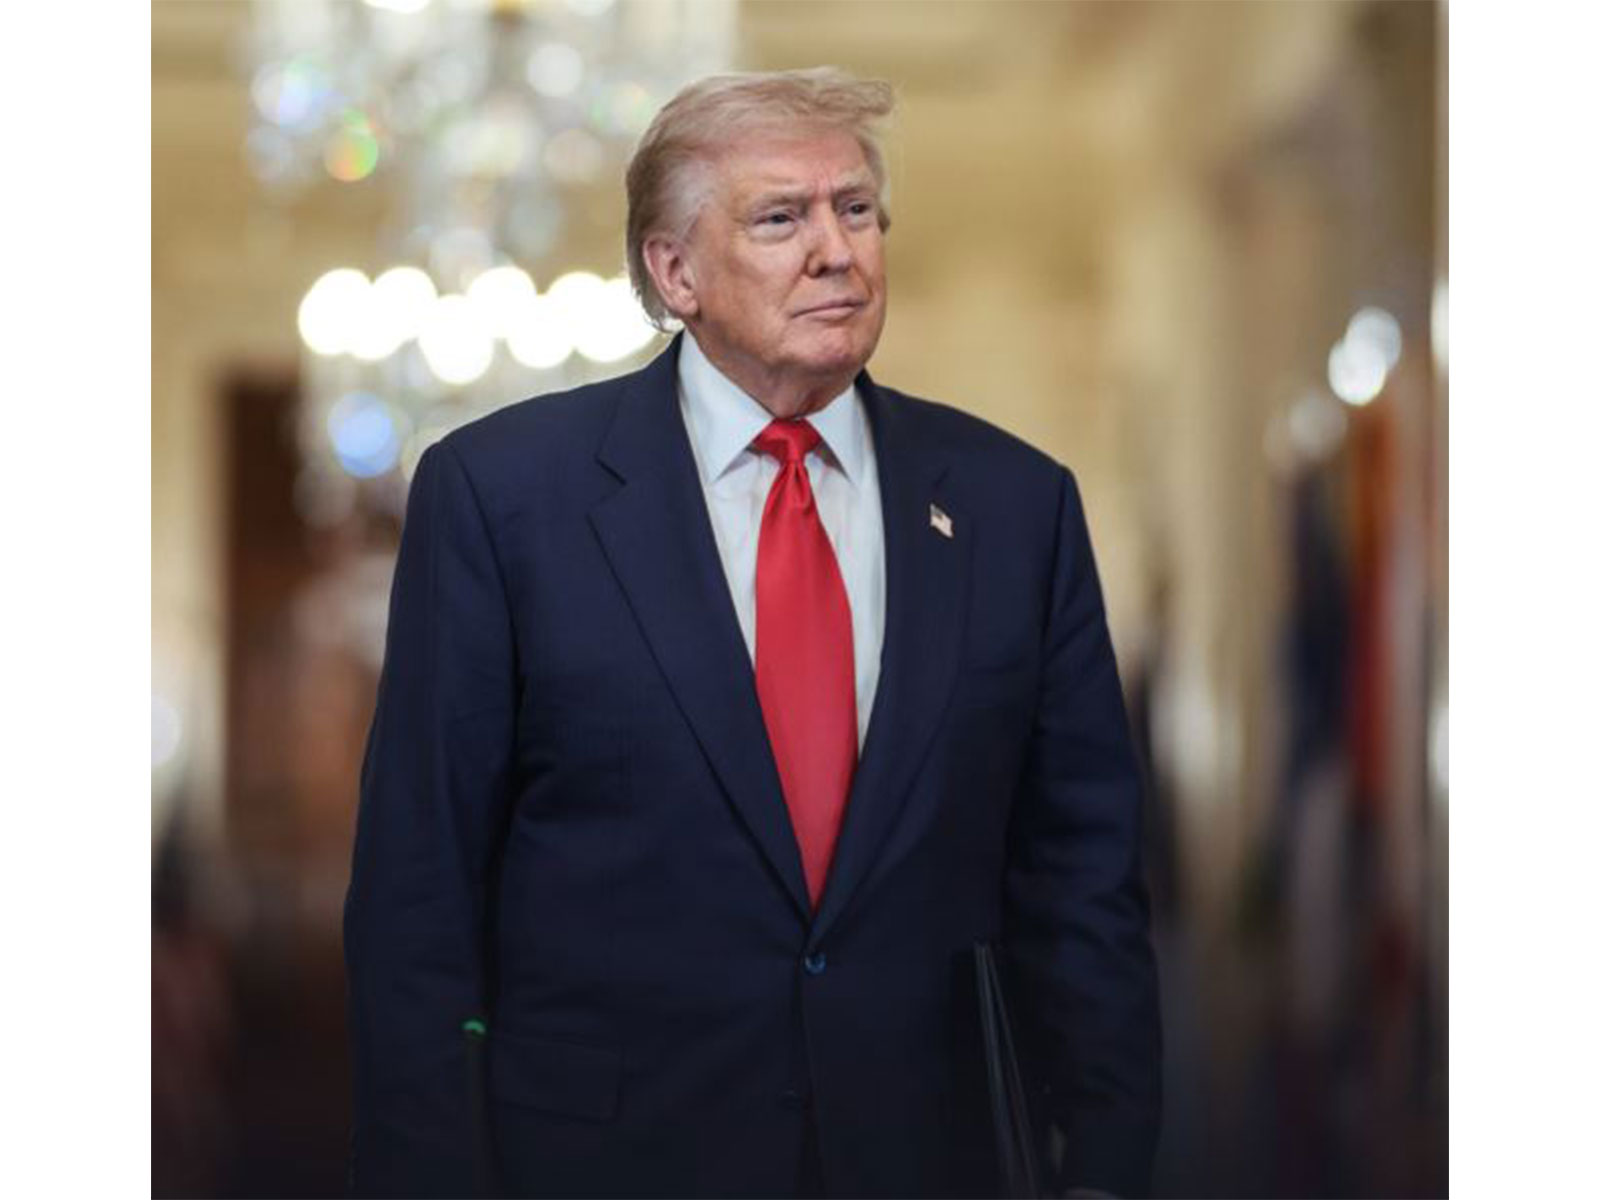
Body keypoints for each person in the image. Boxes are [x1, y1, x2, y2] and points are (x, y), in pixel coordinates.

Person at [345, 67, 1161, 1199]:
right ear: (672, 271)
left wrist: (1108, 1166)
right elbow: (417, 899)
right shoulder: (502, 497)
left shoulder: (1015, 505)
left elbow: (1082, 880)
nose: (836, 249)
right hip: (605, 1163)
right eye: (781, 218)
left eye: (856, 209)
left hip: (928, 1160)